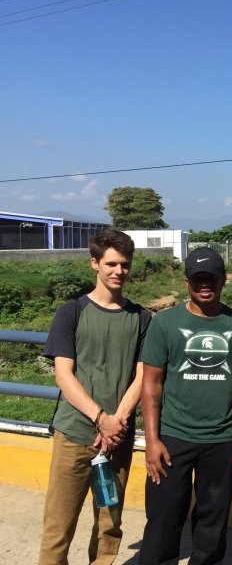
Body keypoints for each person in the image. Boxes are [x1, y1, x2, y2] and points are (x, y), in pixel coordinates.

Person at [38, 230, 151, 565]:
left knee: (109, 525)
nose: (119, 271)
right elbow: (64, 375)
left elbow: (143, 375)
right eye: (111, 263)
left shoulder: (141, 318)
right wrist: (102, 419)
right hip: (74, 436)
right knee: (59, 525)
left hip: (115, 442)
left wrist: (117, 422)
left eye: (125, 264)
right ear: (95, 263)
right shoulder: (70, 312)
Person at [139, 247, 232, 565]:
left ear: (223, 280)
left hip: (222, 439)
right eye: (197, 278)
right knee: (163, 520)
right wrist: (152, 440)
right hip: (173, 437)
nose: (205, 285)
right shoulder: (165, 323)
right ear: (187, 280)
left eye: (211, 278)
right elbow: (151, 385)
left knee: (211, 526)